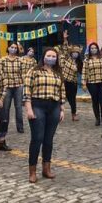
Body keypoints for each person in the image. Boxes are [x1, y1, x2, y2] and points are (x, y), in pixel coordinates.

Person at [23, 48, 65, 183]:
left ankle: (46, 169)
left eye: (54, 56)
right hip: (37, 106)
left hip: (54, 107)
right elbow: (26, 90)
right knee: (37, 138)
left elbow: (61, 91)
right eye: (49, 55)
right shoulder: (34, 71)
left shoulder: (58, 73)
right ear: (44, 56)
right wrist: (29, 108)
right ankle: (32, 171)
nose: (51, 58)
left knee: (48, 139)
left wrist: (62, 109)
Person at [0, 42, 25, 133]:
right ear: (8, 48)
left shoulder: (20, 60)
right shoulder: (2, 60)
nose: (13, 49)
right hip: (7, 87)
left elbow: (23, 73)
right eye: (12, 47)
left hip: (18, 86)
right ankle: (4, 126)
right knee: (6, 108)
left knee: (19, 107)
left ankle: (20, 127)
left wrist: (23, 84)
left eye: (15, 47)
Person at [57, 30, 81, 121]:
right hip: (64, 81)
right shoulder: (67, 58)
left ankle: (74, 114)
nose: (75, 53)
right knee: (60, 98)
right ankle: (59, 114)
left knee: (72, 99)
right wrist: (65, 39)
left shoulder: (79, 63)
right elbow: (65, 48)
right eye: (73, 52)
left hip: (73, 83)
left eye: (77, 52)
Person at [84, 42, 102, 127]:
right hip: (91, 82)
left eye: (95, 48)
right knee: (95, 100)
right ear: (89, 50)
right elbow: (84, 72)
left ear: (97, 49)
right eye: (92, 48)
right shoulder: (87, 60)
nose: (93, 49)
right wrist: (83, 83)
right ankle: (97, 118)